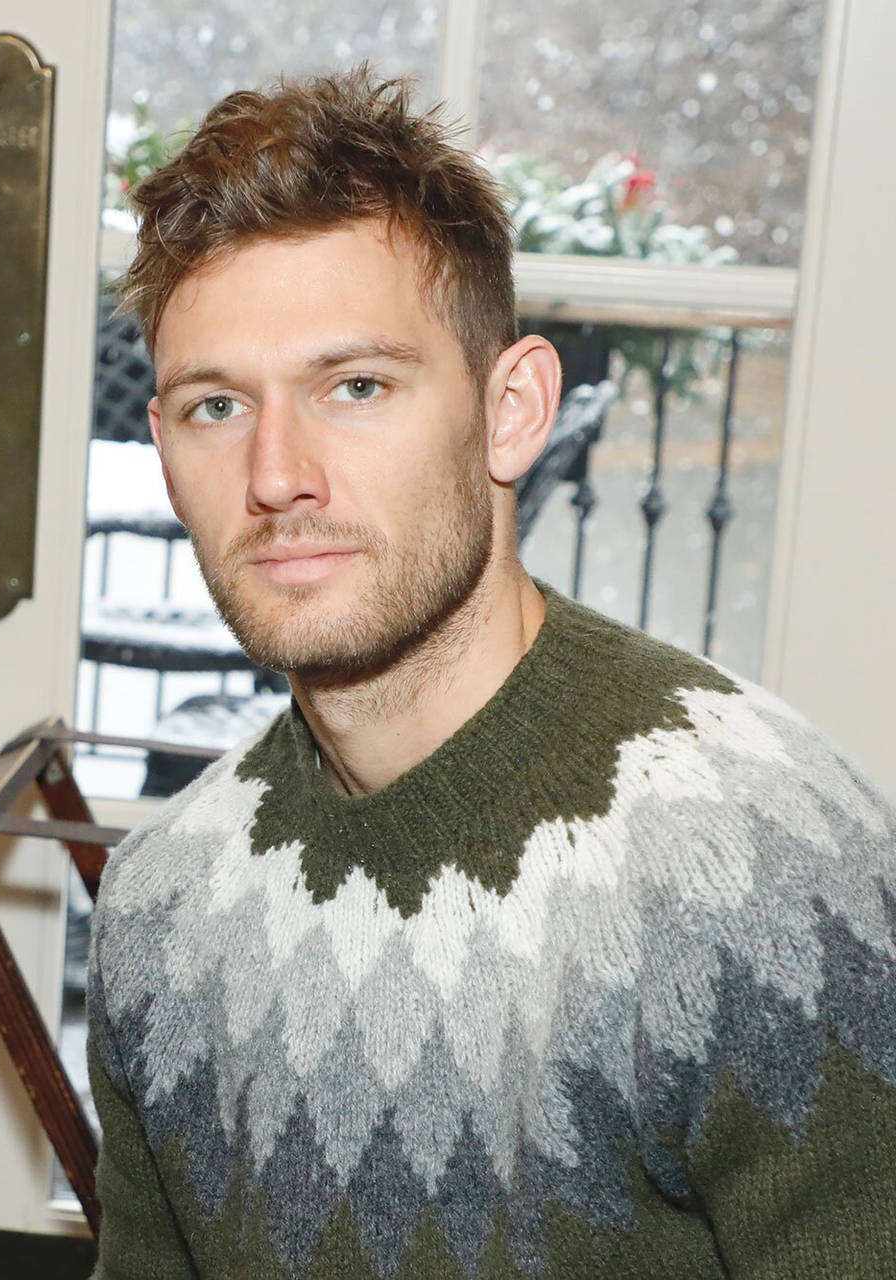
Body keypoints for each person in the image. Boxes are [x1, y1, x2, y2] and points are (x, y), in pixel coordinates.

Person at [86, 70, 896, 1278]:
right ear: (162, 447)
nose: (275, 473)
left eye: (355, 386)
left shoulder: (759, 865)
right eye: (216, 405)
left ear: (511, 409)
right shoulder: (161, 907)